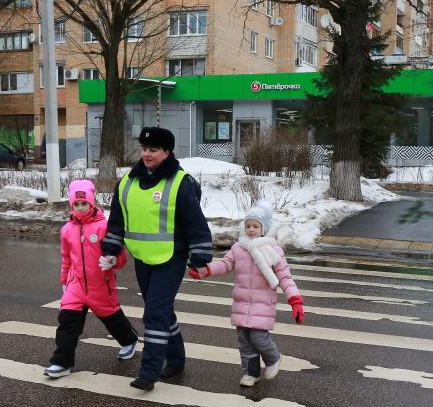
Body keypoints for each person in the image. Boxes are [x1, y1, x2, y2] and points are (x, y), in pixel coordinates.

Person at [101, 126, 212, 391]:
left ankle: (149, 372)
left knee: (155, 314)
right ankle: (176, 359)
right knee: (161, 311)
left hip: (171, 258)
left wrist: (200, 257)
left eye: (153, 150)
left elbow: (196, 224)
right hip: (143, 258)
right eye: (144, 149)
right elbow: (117, 221)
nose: (147, 154)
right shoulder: (127, 182)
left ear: (167, 152)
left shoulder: (179, 182)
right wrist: (110, 249)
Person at [188, 200, 305, 387]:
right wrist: (205, 270)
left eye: (255, 226)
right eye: (248, 225)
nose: (251, 229)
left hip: (262, 303)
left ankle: (273, 358)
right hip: (241, 302)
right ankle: (251, 373)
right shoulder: (238, 249)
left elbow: (285, 277)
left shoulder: (273, 251)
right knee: (245, 341)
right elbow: (224, 265)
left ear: (264, 228)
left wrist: (295, 300)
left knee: (259, 337)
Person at [44, 179, 138, 378]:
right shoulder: (67, 230)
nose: (80, 208)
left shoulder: (104, 227)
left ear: (91, 203)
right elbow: (66, 258)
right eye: (76, 204)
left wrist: (113, 262)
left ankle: (129, 339)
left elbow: (121, 256)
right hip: (75, 285)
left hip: (101, 285)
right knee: (67, 321)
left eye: (84, 203)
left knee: (112, 318)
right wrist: (64, 281)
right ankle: (62, 363)